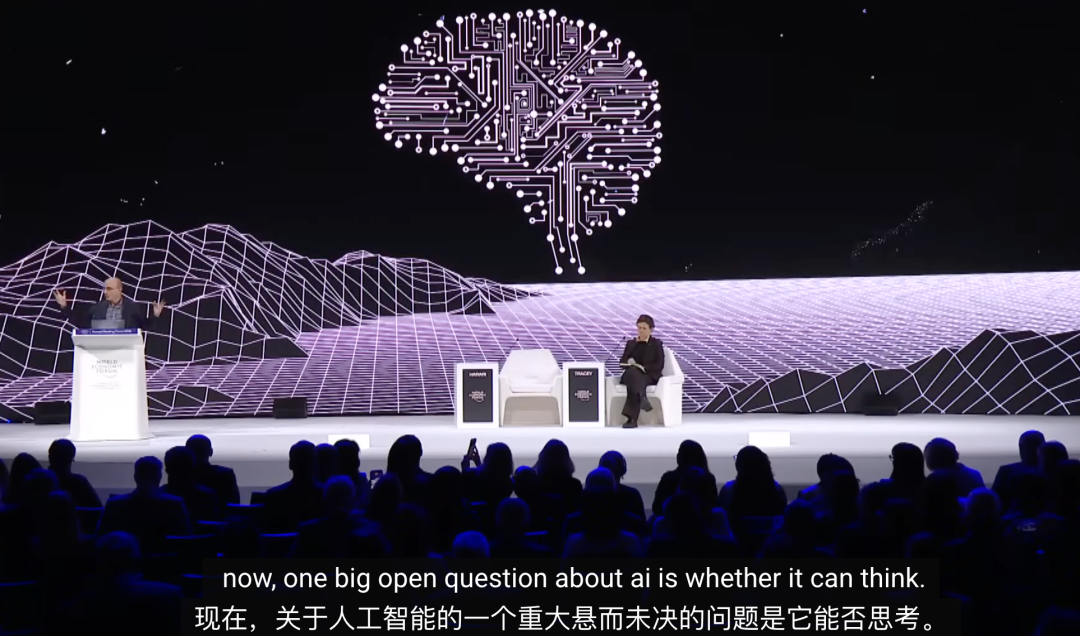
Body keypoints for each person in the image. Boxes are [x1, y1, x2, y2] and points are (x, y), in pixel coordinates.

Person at [53, 277, 166, 329]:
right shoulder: (98, 308)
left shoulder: (132, 307)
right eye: (104, 289)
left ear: (119, 290)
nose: (105, 292)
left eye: (109, 289)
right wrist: (64, 306)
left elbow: (145, 325)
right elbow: (81, 323)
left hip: (126, 353)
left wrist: (155, 315)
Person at [618, 314, 665, 428]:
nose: (641, 331)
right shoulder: (631, 343)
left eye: (644, 328)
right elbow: (623, 360)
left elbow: (659, 364)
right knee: (633, 373)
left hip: (648, 375)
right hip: (630, 374)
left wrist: (645, 368)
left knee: (635, 380)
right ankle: (642, 397)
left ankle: (631, 419)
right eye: (639, 328)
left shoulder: (656, 344)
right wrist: (629, 362)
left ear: (651, 329)